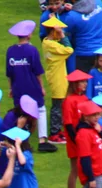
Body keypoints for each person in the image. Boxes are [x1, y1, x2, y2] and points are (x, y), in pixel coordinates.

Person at [6, 20, 54, 153]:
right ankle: (42, 141)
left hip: (18, 87)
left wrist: (11, 88)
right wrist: (42, 87)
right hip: (32, 86)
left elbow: (9, 73)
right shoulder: (32, 50)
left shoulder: (10, 51)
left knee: (20, 112)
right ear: (29, 35)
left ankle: (18, 140)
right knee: (41, 109)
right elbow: (37, 72)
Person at [64, 70, 92, 188]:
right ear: (75, 84)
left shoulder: (85, 98)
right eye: (82, 82)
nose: (85, 84)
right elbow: (68, 124)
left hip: (84, 138)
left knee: (88, 167)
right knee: (75, 169)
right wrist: (77, 140)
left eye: (85, 82)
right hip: (75, 139)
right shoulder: (69, 101)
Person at [42, 16, 74, 146]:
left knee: (59, 104)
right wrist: (62, 36)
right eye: (59, 30)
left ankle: (57, 130)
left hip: (57, 76)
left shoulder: (46, 42)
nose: (61, 32)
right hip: (57, 77)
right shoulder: (53, 45)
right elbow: (69, 49)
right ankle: (54, 133)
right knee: (57, 105)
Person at [63, 0, 102, 73]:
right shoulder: (99, 3)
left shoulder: (71, 16)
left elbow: (66, 37)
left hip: (84, 55)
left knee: (84, 83)